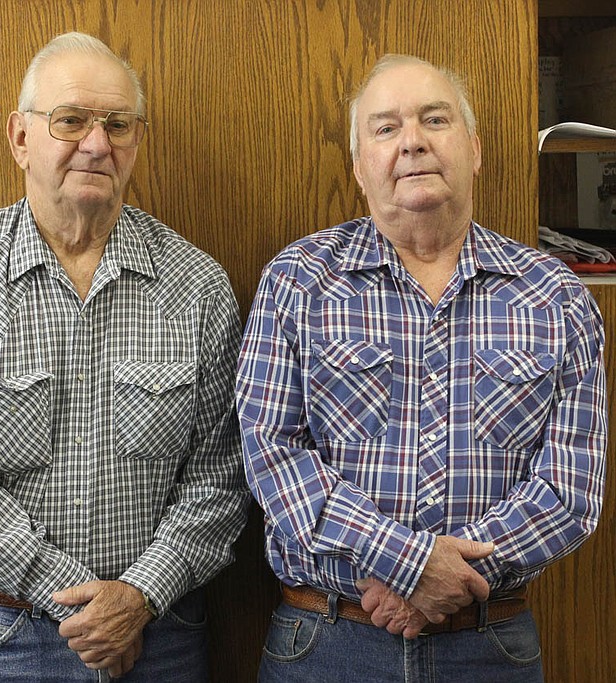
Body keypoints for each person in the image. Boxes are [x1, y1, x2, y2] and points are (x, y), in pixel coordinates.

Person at [235, 54, 606, 682]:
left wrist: (452, 580)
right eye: (385, 128)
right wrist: (410, 563)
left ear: (475, 148)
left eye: (435, 119)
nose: (412, 141)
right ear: (359, 166)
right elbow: (270, 450)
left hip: (489, 647)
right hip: (326, 642)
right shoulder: (298, 281)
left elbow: (570, 492)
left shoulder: (556, 295)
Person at [0, 32, 248, 682]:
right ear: (20, 138)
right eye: (71, 120)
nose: (97, 142)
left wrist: (138, 596)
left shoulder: (197, 285)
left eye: (118, 124)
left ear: (136, 141)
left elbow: (220, 477)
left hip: (159, 638)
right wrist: (77, 597)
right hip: (3, 639)